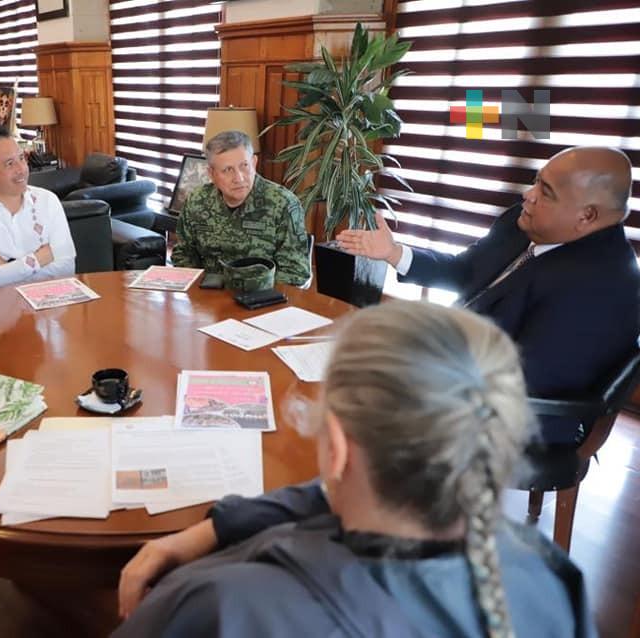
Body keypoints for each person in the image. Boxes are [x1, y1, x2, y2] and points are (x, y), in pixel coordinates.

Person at [115, 300, 595, 638]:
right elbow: (325, 494)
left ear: (338, 447)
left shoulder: (222, 607)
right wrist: (215, 528)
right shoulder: (553, 578)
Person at [337, 146, 639, 445]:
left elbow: (526, 380)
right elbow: (465, 270)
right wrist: (393, 253)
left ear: (587, 216)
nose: (528, 195)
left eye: (546, 192)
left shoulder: (604, 285)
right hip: (463, 367)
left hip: (518, 415)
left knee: (361, 403)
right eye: (536, 181)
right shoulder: (524, 223)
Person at [170, 130, 310, 286]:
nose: (239, 178)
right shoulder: (197, 201)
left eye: (244, 166)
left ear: (254, 163)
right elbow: (183, 254)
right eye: (228, 170)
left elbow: (295, 273)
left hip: (262, 299)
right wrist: (199, 293)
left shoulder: (283, 204)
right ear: (211, 173)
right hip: (208, 297)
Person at [0, 125, 77, 293]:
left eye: (22, 158)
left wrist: (6, 267)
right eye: (10, 163)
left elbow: (66, 268)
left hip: (49, 302)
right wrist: (39, 259)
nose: (21, 169)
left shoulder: (47, 200)